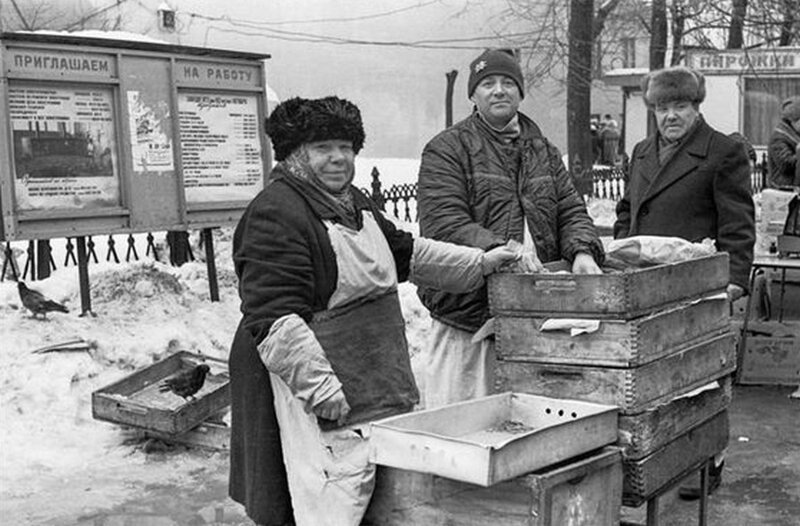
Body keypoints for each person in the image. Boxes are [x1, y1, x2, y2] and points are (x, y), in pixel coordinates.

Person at [228, 95, 520, 526]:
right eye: (323, 148)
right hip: (300, 378)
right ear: (294, 154)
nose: (338, 159)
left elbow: (405, 252)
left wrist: (479, 263)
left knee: (364, 489)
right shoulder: (276, 213)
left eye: (346, 147)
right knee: (319, 496)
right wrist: (321, 390)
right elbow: (274, 317)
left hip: (366, 377)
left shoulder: (352, 202)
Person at [416, 48, 605, 410]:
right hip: (468, 322)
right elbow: (444, 224)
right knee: (466, 435)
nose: (499, 90)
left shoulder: (543, 151)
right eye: (488, 83)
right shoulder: (447, 149)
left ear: (520, 91)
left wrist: (582, 250)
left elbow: (570, 209)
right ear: (473, 94)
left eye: (508, 82)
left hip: (537, 318)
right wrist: (504, 250)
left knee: (533, 432)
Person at [613, 66, 756, 500]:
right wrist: (621, 252)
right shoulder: (641, 152)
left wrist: (732, 280)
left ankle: (707, 462)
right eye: (661, 108)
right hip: (647, 286)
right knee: (658, 382)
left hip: (698, 287)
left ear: (696, 108)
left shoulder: (723, 151)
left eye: (679, 106)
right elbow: (627, 211)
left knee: (703, 380)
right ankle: (660, 457)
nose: (670, 116)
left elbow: (738, 222)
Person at [767, 96, 800, 189]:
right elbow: (786, 165)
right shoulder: (779, 138)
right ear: (793, 120)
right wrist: (798, 153)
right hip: (783, 190)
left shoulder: (796, 134)